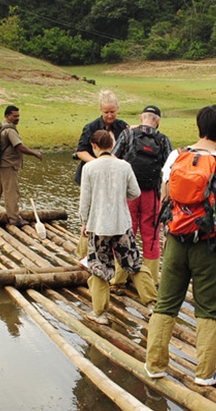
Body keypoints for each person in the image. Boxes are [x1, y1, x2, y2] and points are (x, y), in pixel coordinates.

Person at [144, 105, 216, 386]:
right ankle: (204, 373)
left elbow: (166, 197)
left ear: (198, 126)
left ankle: (154, 365)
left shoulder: (176, 156)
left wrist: (170, 231)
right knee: (209, 309)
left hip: (176, 240)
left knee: (166, 303)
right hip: (209, 245)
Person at [79, 130, 158, 324]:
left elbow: (85, 201)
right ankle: (152, 304)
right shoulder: (124, 166)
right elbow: (135, 192)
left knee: (99, 268)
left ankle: (100, 313)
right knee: (134, 264)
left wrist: (84, 222)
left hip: (98, 226)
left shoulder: (89, 168)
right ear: (112, 144)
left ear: (94, 146)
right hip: (122, 224)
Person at [110, 105, 172, 286]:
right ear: (158, 121)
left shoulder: (128, 134)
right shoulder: (163, 140)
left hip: (128, 193)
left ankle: (119, 278)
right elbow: (170, 171)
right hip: (151, 194)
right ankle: (149, 281)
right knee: (151, 237)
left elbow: (113, 158)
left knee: (124, 233)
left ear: (141, 117)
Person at [74, 90, 130, 261]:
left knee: (112, 213)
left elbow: (128, 152)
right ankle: (82, 255)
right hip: (92, 176)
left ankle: (111, 257)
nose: (109, 115)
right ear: (100, 110)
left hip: (114, 179)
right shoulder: (91, 128)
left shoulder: (123, 128)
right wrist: (99, 165)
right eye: (106, 112)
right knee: (90, 215)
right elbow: (81, 151)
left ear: (118, 109)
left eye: (112, 111)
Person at [0, 105, 43, 227]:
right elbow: (20, 147)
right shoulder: (10, 130)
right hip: (8, 165)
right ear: (8, 116)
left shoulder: (1, 125)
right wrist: (35, 154)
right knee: (12, 192)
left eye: (18, 116)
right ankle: (14, 219)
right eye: (15, 116)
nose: (17, 118)